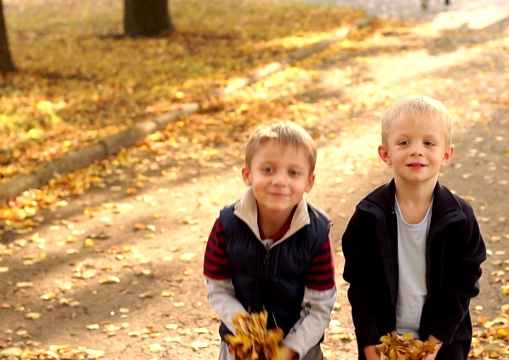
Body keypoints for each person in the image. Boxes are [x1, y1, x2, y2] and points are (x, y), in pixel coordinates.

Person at [341, 95, 487, 360]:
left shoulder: (459, 218)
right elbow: (360, 285)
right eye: (404, 142)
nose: (416, 150)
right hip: (384, 341)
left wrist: (433, 345)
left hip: (443, 341)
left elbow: (464, 283)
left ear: (446, 154)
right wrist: (369, 343)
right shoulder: (367, 216)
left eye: (428, 143)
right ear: (386, 153)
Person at [203, 120, 337, 360]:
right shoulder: (227, 225)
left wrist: (290, 349)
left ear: (309, 182)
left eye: (293, 172)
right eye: (268, 170)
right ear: (247, 175)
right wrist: (246, 329)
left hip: (299, 349)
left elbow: (319, 305)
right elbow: (217, 288)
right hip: (240, 348)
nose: (279, 181)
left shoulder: (316, 233)